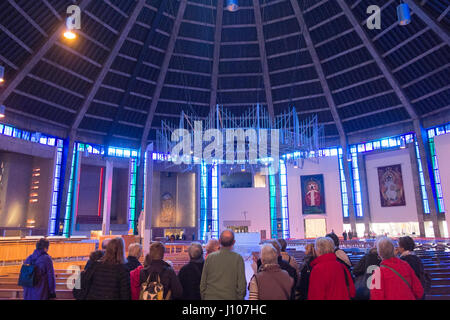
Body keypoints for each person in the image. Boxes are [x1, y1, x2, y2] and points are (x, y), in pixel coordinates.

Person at [200, 230, 247, 300]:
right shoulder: (238, 258)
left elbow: (203, 283)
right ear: (234, 242)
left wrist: (204, 297)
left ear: (219, 241)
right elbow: (242, 285)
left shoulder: (210, 257)